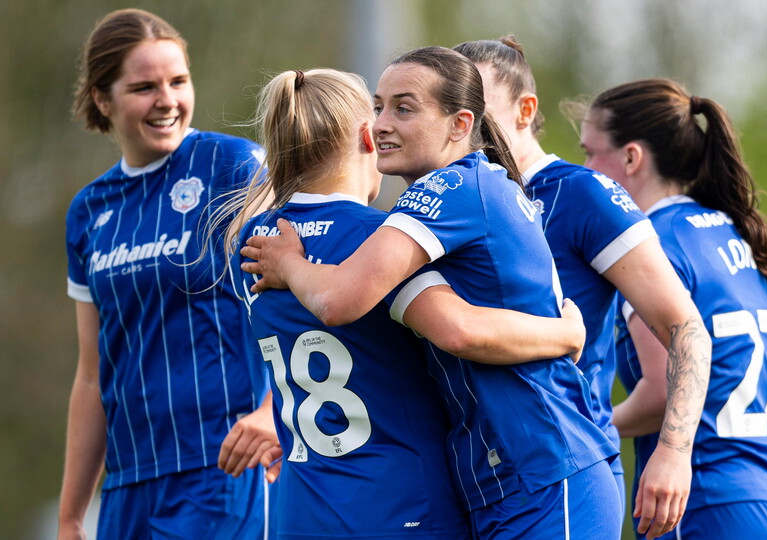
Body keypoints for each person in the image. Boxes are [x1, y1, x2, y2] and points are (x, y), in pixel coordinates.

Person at [240, 47, 622, 539]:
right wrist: (563, 333)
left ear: (460, 124)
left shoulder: (454, 188)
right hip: (490, 479)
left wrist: (291, 262)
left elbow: (438, 326)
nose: (380, 124)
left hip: (545, 464)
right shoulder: (422, 207)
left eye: (404, 107)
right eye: (377, 106)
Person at [453, 37, 712, 539]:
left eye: (478, 106)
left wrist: (674, 453)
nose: (463, 121)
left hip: (559, 478)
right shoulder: (448, 203)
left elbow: (686, 330)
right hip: (472, 483)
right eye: (451, 105)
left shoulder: (580, 193)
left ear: (526, 110)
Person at [571, 76, 767, 539]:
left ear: (631, 157)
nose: (586, 169)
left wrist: (582, 429)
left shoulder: (651, 249)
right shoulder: (731, 236)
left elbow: (659, 396)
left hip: (708, 503)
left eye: (590, 154)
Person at [58, 9, 276, 539]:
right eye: (144, 87)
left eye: (178, 81)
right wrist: (69, 515)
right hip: (127, 485)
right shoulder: (89, 211)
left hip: (223, 468)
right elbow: (91, 376)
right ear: (102, 99)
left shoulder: (234, 166)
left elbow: (305, 297)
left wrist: (274, 411)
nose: (168, 100)